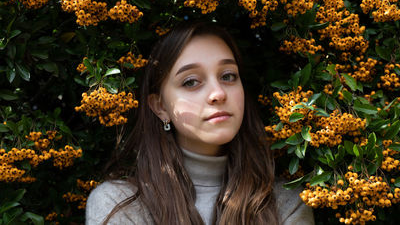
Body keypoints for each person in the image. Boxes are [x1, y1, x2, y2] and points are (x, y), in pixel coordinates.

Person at [85, 21, 314, 225]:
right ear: (160, 107)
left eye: (228, 76)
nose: (218, 93)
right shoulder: (119, 204)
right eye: (191, 81)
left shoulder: (286, 202)